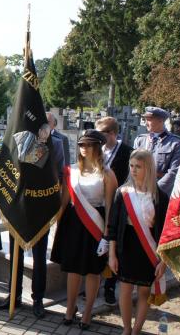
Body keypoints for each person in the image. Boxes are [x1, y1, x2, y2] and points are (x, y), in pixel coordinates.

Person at [0, 116, 65, 318]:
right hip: (17, 207)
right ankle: (14, 295)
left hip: (40, 207)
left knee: (39, 256)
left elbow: (59, 174)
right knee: (15, 255)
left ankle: (38, 300)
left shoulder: (56, 145)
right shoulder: (16, 140)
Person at [51, 130, 118, 330]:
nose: (84, 148)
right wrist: (57, 222)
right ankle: (70, 309)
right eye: (81, 145)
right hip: (73, 223)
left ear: (98, 147)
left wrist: (107, 236)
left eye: (89, 145)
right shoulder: (71, 170)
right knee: (72, 270)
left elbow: (109, 207)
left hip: (95, 225)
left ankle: (87, 312)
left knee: (92, 271)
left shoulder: (107, 173)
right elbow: (64, 201)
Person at [107, 149, 168, 335]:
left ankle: (136, 331)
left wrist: (163, 261)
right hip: (127, 246)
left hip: (148, 250)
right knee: (124, 290)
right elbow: (113, 225)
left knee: (143, 292)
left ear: (148, 168)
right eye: (131, 166)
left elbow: (166, 232)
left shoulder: (160, 197)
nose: (133, 170)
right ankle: (126, 329)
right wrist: (112, 254)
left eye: (138, 166)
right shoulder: (123, 192)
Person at [95, 116, 134, 305]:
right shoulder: (98, 150)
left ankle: (110, 286)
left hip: (119, 205)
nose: (98, 138)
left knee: (113, 244)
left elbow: (131, 179)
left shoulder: (127, 152)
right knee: (98, 242)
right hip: (99, 204)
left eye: (101, 134)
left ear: (112, 133)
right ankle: (94, 283)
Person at [134, 106, 180, 196]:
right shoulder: (140, 140)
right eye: (145, 120)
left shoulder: (176, 142)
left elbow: (174, 172)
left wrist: (155, 190)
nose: (146, 123)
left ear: (160, 120)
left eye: (149, 120)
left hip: (161, 194)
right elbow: (132, 166)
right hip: (138, 190)